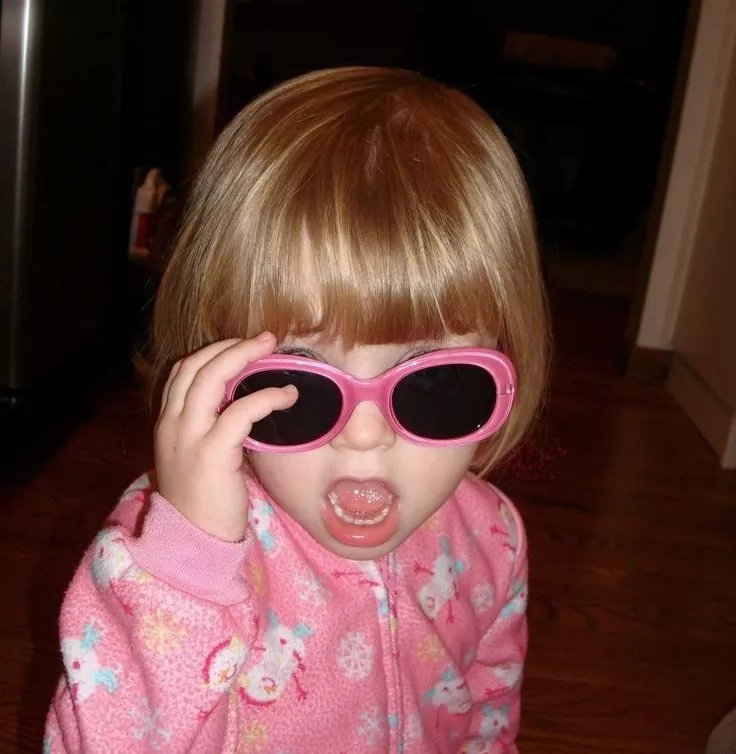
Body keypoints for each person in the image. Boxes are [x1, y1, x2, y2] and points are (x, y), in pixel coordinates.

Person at [44, 66, 548, 753]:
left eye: (434, 387)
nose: (364, 436)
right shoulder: (168, 556)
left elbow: (486, 710)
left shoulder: (492, 538)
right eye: (301, 386)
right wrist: (188, 569)